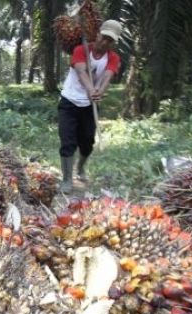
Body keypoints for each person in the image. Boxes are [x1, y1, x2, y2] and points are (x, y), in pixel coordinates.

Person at [57, 19, 122, 193]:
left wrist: (99, 91)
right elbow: (81, 71)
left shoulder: (113, 58)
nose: (105, 42)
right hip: (69, 102)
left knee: (87, 142)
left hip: (89, 106)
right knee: (67, 141)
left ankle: (81, 167)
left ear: (113, 42)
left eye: (110, 40)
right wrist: (90, 89)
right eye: (104, 37)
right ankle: (66, 180)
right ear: (98, 34)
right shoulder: (81, 50)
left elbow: (107, 77)